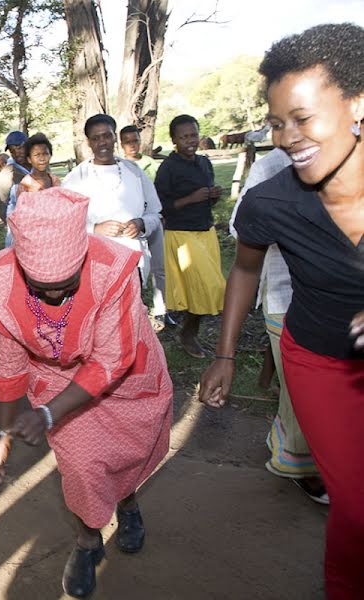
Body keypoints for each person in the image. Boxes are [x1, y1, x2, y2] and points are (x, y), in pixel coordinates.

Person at [200, 23, 364, 599]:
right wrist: (224, 355)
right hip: (321, 364)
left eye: (302, 118)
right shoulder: (270, 202)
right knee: (359, 503)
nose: (287, 138)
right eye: (275, 123)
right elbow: (245, 268)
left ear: (357, 104)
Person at [0, 188, 173, 598]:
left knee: (125, 452)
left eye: (64, 285)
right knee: (83, 465)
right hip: (55, 381)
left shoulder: (113, 267)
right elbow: (8, 364)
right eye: (40, 286)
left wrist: (47, 413)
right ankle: (88, 541)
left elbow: (110, 359)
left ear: (83, 258)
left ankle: (129, 502)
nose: (52, 296)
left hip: (124, 375)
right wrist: (3, 434)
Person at [228, 148, 326, 503]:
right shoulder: (272, 168)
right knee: (302, 389)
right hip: (286, 296)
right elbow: (241, 226)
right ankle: (303, 464)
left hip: (340, 300)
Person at [62, 115, 162, 291]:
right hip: (95, 263)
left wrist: (141, 223)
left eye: (107, 136)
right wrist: (94, 229)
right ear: (88, 142)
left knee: (131, 313)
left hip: (133, 259)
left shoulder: (134, 172)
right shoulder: (75, 179)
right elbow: (64, 224)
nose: (102, 142)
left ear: (114, 137)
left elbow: (155, 213)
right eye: (96, 138)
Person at [154, 114, 226, 357]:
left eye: (193, 135)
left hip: (206, 230)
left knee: (202, 289)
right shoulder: (168, 168)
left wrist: (213, 195)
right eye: (183, 137)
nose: (189, 141)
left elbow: (208, 201)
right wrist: (190, 199)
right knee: (209, 286)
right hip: (182, 235)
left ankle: (188, 332)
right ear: (174, 140)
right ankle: (188, 334)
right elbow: (160, 206)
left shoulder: (204, 163)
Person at [120, 125, 171, 329]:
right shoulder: (120, 166)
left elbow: (159, 191)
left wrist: (160, 215)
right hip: (131, 224)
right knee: (137, 267)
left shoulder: (150, 164)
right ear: (121, 145)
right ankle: (135, 309)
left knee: (159, 266)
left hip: (152, 217)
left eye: (136, 141)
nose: (133, 145)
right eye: (128, 142)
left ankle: (161, 309)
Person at [5, 132, 61, 247]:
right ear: (29, 158)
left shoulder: (56, 181)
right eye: (12, 150)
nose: (41, 158)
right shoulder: (21, 185)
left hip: (55, 234)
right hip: (32, 238)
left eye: (19, 147)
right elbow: (20, 217)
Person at [0, 131, 31, 222]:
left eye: (19, 148)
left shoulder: (38, 166)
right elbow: (0, 206)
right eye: (12, 150)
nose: (16, 153)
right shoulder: (6, 175)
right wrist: (14, 226)